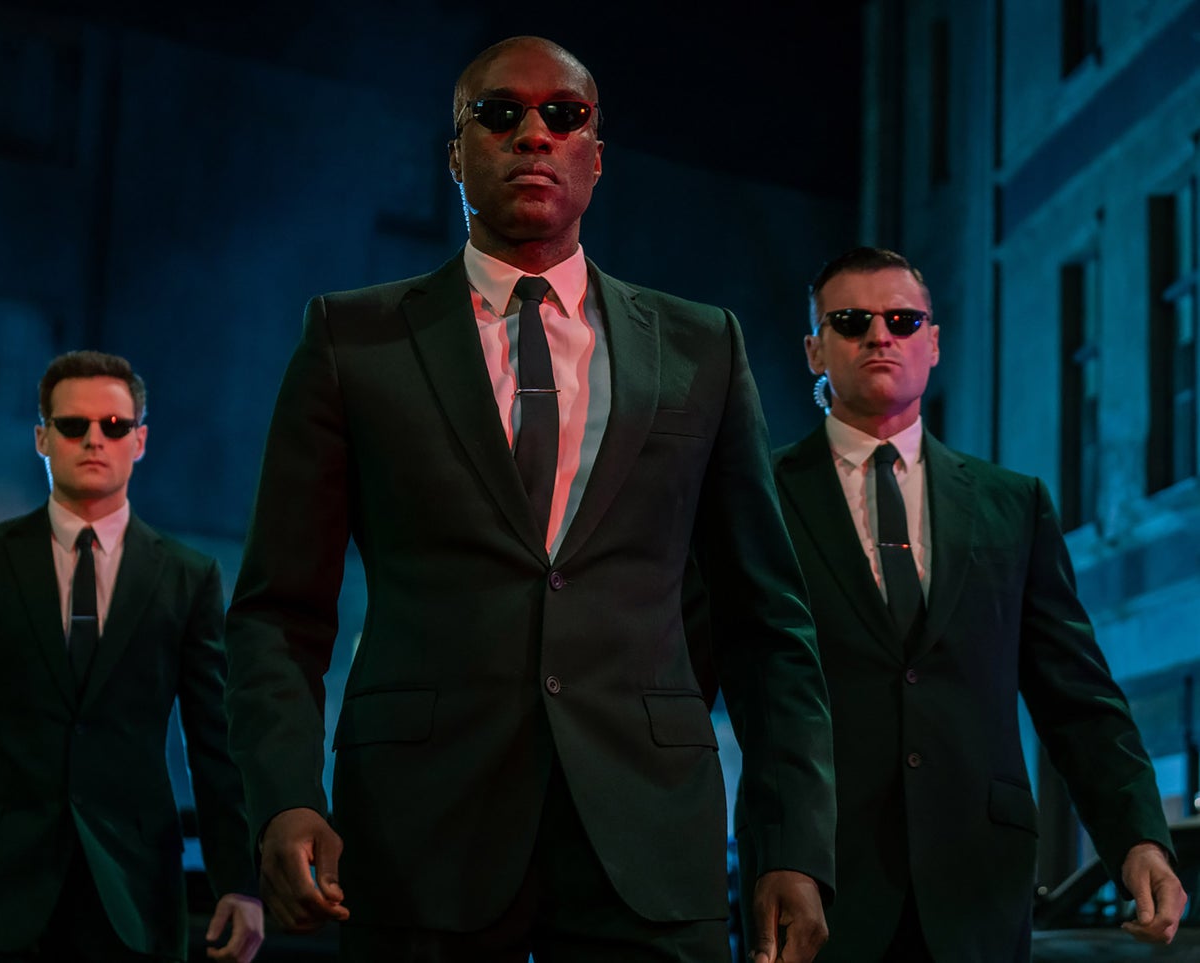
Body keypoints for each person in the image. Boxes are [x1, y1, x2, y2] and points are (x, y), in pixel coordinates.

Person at [224, 35, 835, 963]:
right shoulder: (351, 339)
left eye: (564, 114)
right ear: (454, 154)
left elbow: (764, 623)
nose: (533, 134)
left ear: (597, 155)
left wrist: (790, 843)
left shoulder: (702, 345)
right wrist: (283, 797)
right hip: (418, 832)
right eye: (498, 113)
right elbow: (278, 611)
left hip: (647, 834)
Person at [765, 246, 1188, 961]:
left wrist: (1138, 837)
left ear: (932, 342)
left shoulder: (1012, 504)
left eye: (902, 320)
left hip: (978, 886)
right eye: (851, 321)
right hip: (814, 880)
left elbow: (1077, 698)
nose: (879, 335)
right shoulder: (760, 497)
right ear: (815, 349)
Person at [0, 350, 263, 963]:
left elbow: (213, 736)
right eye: (73, 425)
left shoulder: (188, 577)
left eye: (114, 426)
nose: (94, 439)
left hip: (132, 884)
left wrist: (239, 880)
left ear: (139, 441)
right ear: (42, 438)